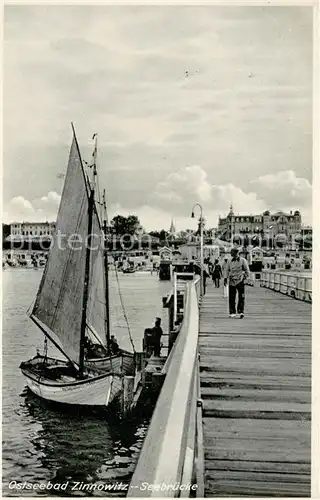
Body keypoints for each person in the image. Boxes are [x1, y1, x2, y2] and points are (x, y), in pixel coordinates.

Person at [224, 247, 250, 319]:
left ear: (236, 253)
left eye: (232, 252)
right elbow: (226, 270)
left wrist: (245, 277)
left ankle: (240, 311)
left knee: (241, 297)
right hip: (232, 280)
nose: (230, 254)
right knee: (231, 297)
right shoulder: (229, 261)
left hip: (240, 280)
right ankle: (232, 312)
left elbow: (247, 270)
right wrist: (225, 278)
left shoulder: (243, 261)